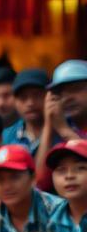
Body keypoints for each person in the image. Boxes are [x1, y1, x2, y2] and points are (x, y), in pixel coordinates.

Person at [36, 60, 87, 190]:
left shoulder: (62, 126)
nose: (67, 98)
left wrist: (64, 130)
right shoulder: (59, 124)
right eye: (60, 94)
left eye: (75, 89)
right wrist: (48, 124)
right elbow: (40, 183)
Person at [2, 68, 48, 153]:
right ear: (15, 101)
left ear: (49, 96)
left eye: (37, 95)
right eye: (23, 97)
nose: (30, 103)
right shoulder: (6, 137)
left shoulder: (64, 130)